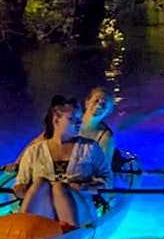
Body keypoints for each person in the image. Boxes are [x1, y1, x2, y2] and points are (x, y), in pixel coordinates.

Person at [12, 95, 111, 227]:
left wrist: (85, 186)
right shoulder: (34, 151)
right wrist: (21, 191)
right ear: (56, 121)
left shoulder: (91, 148)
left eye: (79, 118)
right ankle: (22, 229)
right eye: (72, 119)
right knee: (41, 183)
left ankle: (70, 233)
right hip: (44, 213)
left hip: (79, 212)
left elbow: (108, 181)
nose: (79, 123)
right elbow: (20, 184)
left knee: (60, 187)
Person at [81, 86, 119, 168]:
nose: (98, 106)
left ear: (109, 111)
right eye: (96, 100)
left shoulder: (105, 137)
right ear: (87, 103)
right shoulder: (68, 123)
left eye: (104, 104)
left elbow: (104, 170)